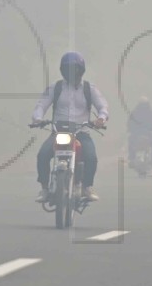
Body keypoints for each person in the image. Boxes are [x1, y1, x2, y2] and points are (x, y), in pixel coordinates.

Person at [31, 52, 109, 202]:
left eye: (75, 69)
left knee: (91, 157)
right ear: (63, 71)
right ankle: (44, 188)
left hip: (81, 132)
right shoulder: (55, 87)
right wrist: (38, 119)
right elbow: (41, 105)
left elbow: (103, 106)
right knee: (42, 155)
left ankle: (87, 187)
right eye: (68, 69)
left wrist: (101, 118)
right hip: (58, 132)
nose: (72, 73)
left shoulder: (89, 88)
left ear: (81, 70)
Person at [127, 96, 152, 165]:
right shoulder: (151, 112)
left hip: (137, 134)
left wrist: (129, 130)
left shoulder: (134, 113)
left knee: (130, 141)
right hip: (148, 133)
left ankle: (131, 158)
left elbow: (129, 123)